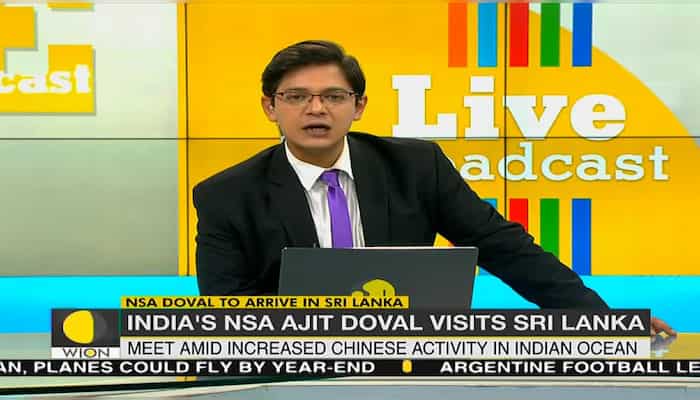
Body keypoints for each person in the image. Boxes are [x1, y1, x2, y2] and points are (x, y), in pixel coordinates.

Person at [193, 40, 675, 336]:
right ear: (270, 107)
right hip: (290, 369)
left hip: (410, 358)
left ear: (358, 106)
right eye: (296, 97)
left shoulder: (415, 166)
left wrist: (602, 321)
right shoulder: (226, 195)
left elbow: (504, 246)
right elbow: (226, 310)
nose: (316, 109)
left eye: (333, 96)